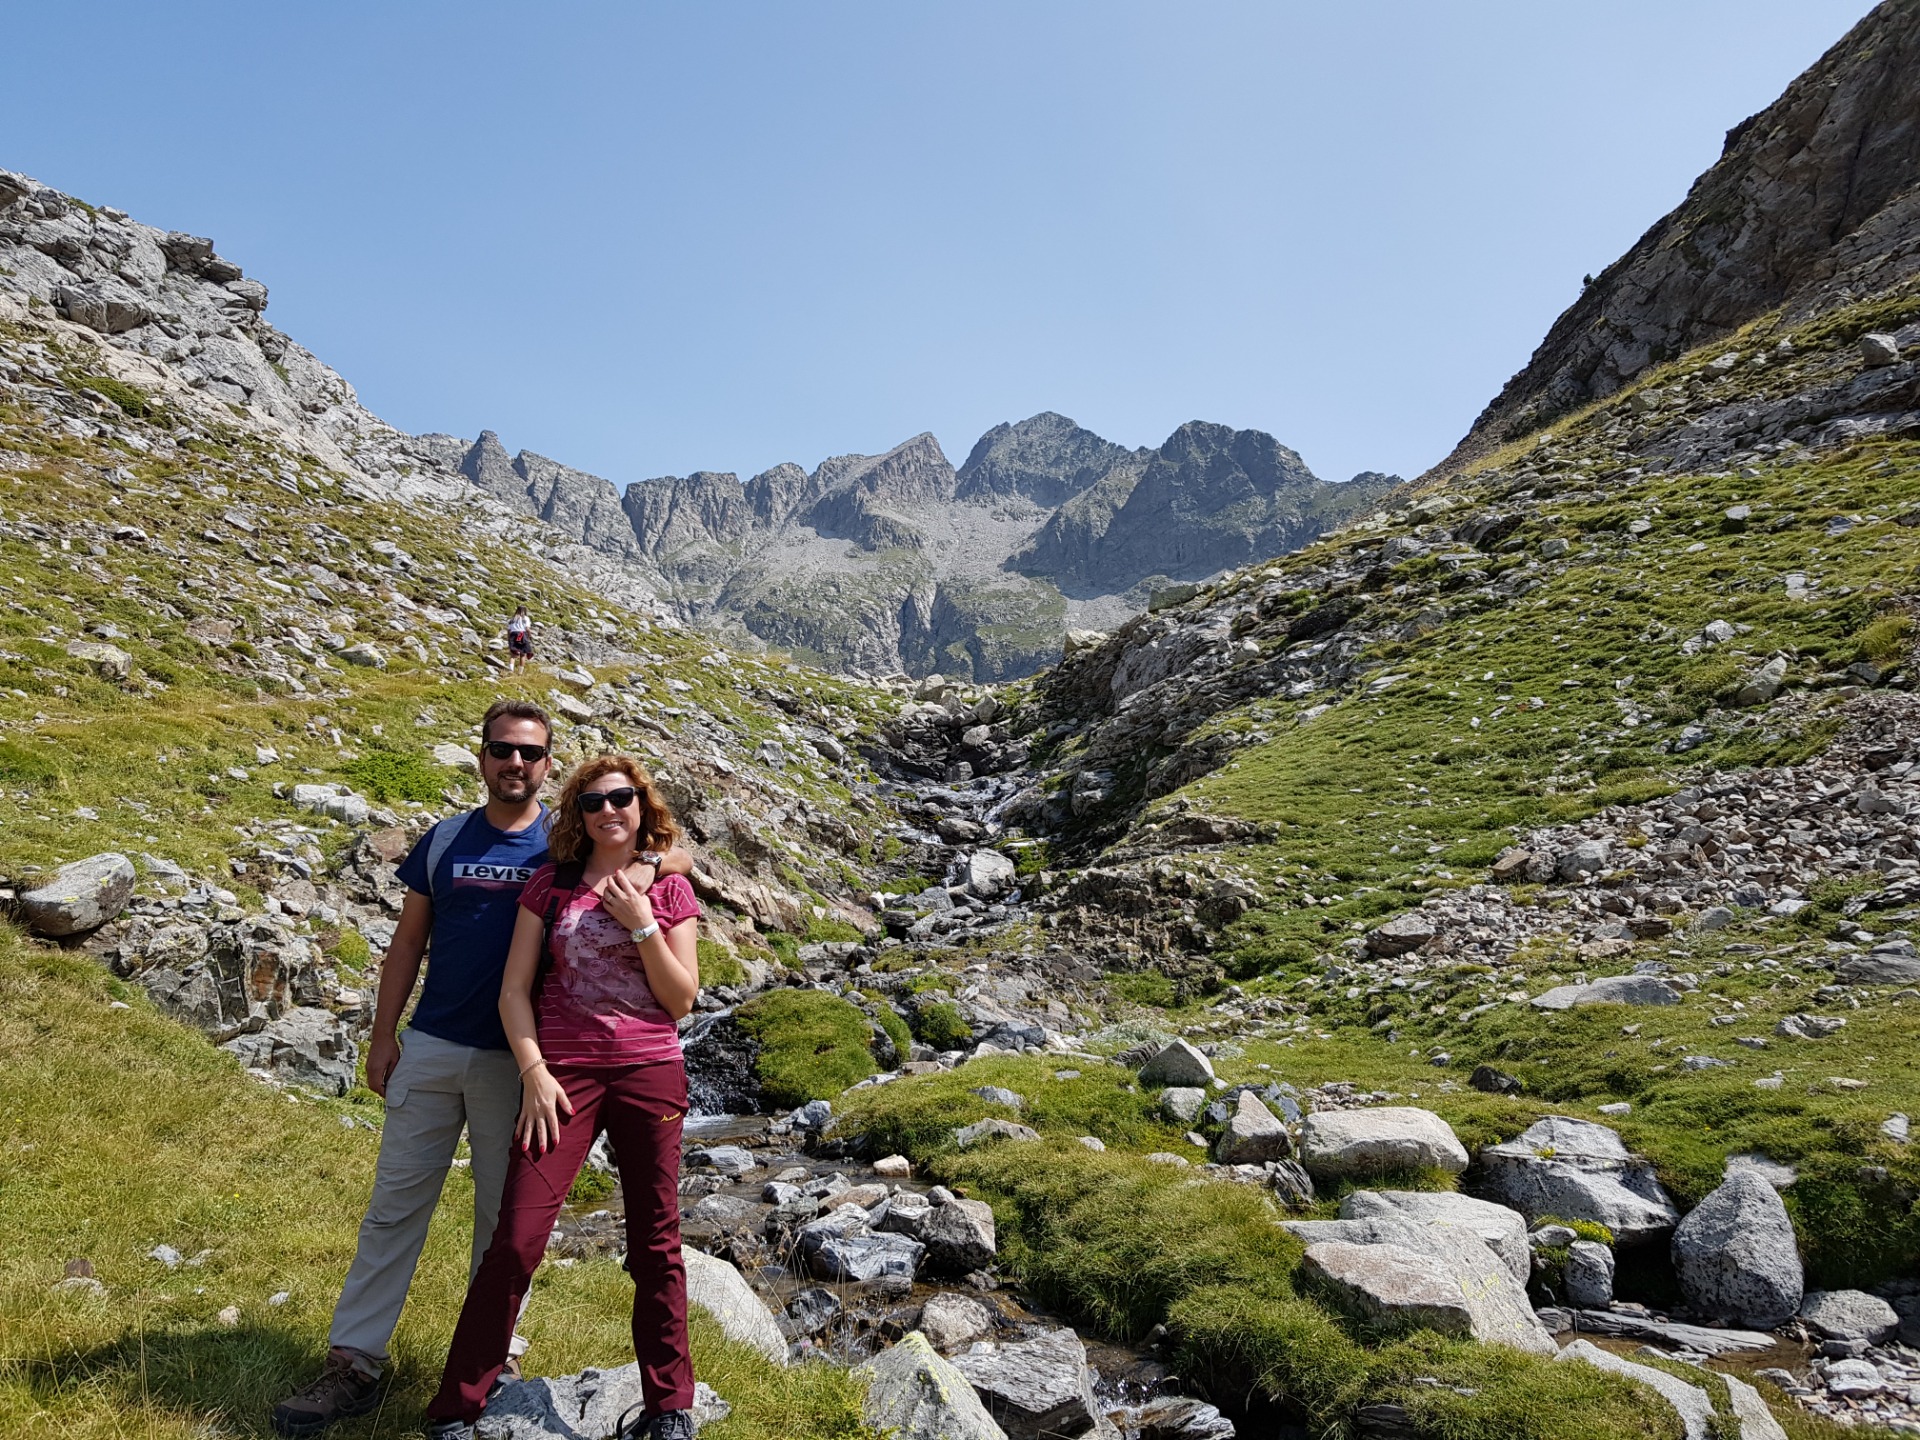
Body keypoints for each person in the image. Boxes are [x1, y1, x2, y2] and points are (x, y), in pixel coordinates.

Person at [271, 703, 693, 1438]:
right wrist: (383, 1036)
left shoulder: (564, 846)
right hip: (458, 1048)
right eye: (502, 749)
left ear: (548, 764)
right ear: (483, 757)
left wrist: (652, 874)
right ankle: (357, 1364)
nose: (514, 763)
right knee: (402, 1209)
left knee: (510, 1226)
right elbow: (408, 942)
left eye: (529, 753)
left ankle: (502, 1369)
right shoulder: (453, 841)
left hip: (532, 1065)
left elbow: (669, 865)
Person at [425, 754, 702, 1440]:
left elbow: (681, 1000)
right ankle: (457, 1406)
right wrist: (534, 1072)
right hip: (562, 1079)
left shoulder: (669, 889)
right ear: (577, 814)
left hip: (650, 1074)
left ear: (642, 806)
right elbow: (513, 990)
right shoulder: (550, 886)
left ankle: (670, 1408)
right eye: (592, 801)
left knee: (656, 1244)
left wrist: (641, 922)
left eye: (622, 797)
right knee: (516, 1240)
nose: (609, 810)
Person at [506, 605, 533, 672]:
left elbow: (509, 630)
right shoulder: (526, 618)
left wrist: (509, 638)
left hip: (513, 635)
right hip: (522, 634)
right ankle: (520, 672)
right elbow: (527, 628)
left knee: (513, 655)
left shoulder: (512, 619)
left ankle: (511, 670)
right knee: (523, 654)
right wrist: (530, 636)